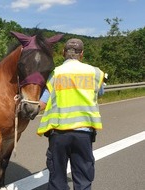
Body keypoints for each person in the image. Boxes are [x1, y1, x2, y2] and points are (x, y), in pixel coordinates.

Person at [38, 38, 105, 190]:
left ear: (63, 53)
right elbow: (100, 93)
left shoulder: (55, 73)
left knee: (57, 180)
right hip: (84, 134)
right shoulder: (95, 72)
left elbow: (42, 103)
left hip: (58, 134)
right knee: (83, 178)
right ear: (82, 54)